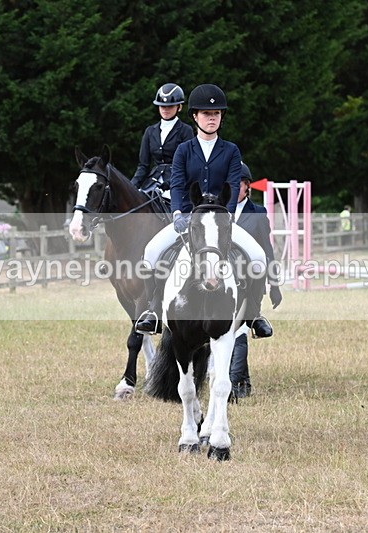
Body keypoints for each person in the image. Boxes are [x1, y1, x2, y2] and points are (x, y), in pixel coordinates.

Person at [134, 84, 273, 339]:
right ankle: (153, 311)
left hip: (220, 221)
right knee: (151, 252)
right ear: (195, 117)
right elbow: (176, 184)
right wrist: (177, 214)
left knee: (258, 257)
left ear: (221, 117)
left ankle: (254, 314)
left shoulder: (231, 151)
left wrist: (228, 217)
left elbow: (232, 185)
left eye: (217, 113)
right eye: (206, 114)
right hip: (189, 219)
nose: (212, 118)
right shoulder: (184, 150)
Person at [230, 162, 282, 398]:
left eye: (236, 184)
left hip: (250, 282)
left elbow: (267, 251)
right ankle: (244, 383)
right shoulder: (219, 210)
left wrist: (274, 285)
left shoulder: (258, 214)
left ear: (247, 186)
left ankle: (233, 384)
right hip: (223, 280)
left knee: (240, 328)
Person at [130, 83, 194, 193]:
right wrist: (130, 186)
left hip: (177, 182)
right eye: (162, 106)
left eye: (170, 106)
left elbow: (187, 164)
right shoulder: (150, 131)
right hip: (152, 181)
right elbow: (143, 166)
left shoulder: (186, 130)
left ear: (179, 107)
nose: (165, 109)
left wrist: (169, 184)